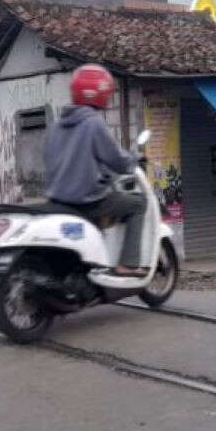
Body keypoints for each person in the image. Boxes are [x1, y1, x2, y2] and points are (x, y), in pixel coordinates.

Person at [44, 63, 147, 276]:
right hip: (87, 202)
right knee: (138, 204)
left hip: (57, 200)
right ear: (98, 93)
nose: (108, 98)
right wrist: (134, 161)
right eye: (107, 93)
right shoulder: (93, 122)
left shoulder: (57, 124)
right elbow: (116, 159)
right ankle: (127, 264)